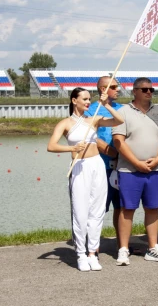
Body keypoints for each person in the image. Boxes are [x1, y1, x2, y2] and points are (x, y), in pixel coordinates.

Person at [47, 87, 124, 272]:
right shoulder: (65, 123)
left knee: (97, 212)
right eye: (85, 99)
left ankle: (92, 253)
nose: (88, 102)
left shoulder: (94, 119)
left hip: (97, 165)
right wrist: (72, 149)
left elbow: (119, 120)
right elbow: (51, 146)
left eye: (90, 99)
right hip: (79, 167)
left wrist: (105, 104)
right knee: (80, 213)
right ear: (74, 100)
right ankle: (80, 254)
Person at [112, 78, 158, 265]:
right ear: (135, 91)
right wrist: (136, 163)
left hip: (154, 169)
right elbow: (118, 141)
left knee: (152, 208)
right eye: (144, 89)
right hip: (129, 170)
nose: (149, 92)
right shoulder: (123, 112)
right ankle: (123, 249)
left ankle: (153, 248)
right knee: (127, 209)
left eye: (151, 89)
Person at [84, 77, 122, 254]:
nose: (118, 90)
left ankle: (122, 244)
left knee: (121, 207)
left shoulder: (121, 109)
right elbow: (90, 137)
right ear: (102, 89)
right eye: (114, 87)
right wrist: (110, 151)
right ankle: (93, 246)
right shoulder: (91, 110)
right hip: (101, 166)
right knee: (98, 208)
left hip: (121, 167)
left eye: (117, 86)